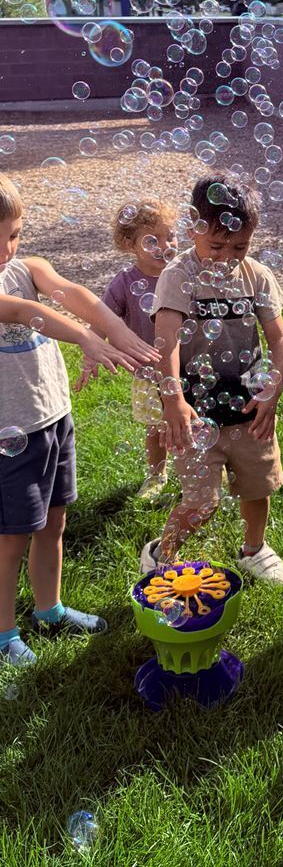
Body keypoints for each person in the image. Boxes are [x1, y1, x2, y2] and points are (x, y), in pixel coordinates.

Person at [0, 173, 159, 667]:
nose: (8, 247)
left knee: (53, 522)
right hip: (10, 432)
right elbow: (26, 312)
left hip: (51, 418)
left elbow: (73, 294)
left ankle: (48, 608)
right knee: (10, 539)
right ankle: (4, 636)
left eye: (13, 233)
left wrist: (113, 329)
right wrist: (88, 341)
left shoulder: (27, 266)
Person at [140, 175, 283, 585]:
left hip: (248, 407)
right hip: (194, 412)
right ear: (195, 229)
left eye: (240, 247)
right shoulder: (178, 274)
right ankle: (161, 551)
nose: (227, 257)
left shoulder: (256, 275)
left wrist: (270, 393)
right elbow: (167, 341)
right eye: (217, 246)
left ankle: (254, 549)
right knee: (201, 501)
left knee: (256, 485)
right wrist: (173, 399)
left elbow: (279, 339)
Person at [76, 200, 178, 499]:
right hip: (148, 373)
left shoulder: (184, 274)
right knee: (156, 430)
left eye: (170, 236)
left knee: (194, 421)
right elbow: (100, 320)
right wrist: (90, 355)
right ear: (128, 244)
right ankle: (157, 474)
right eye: (152, 240)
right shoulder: (124, 283)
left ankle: (206, 467)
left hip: (190, 368)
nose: (164, 245)